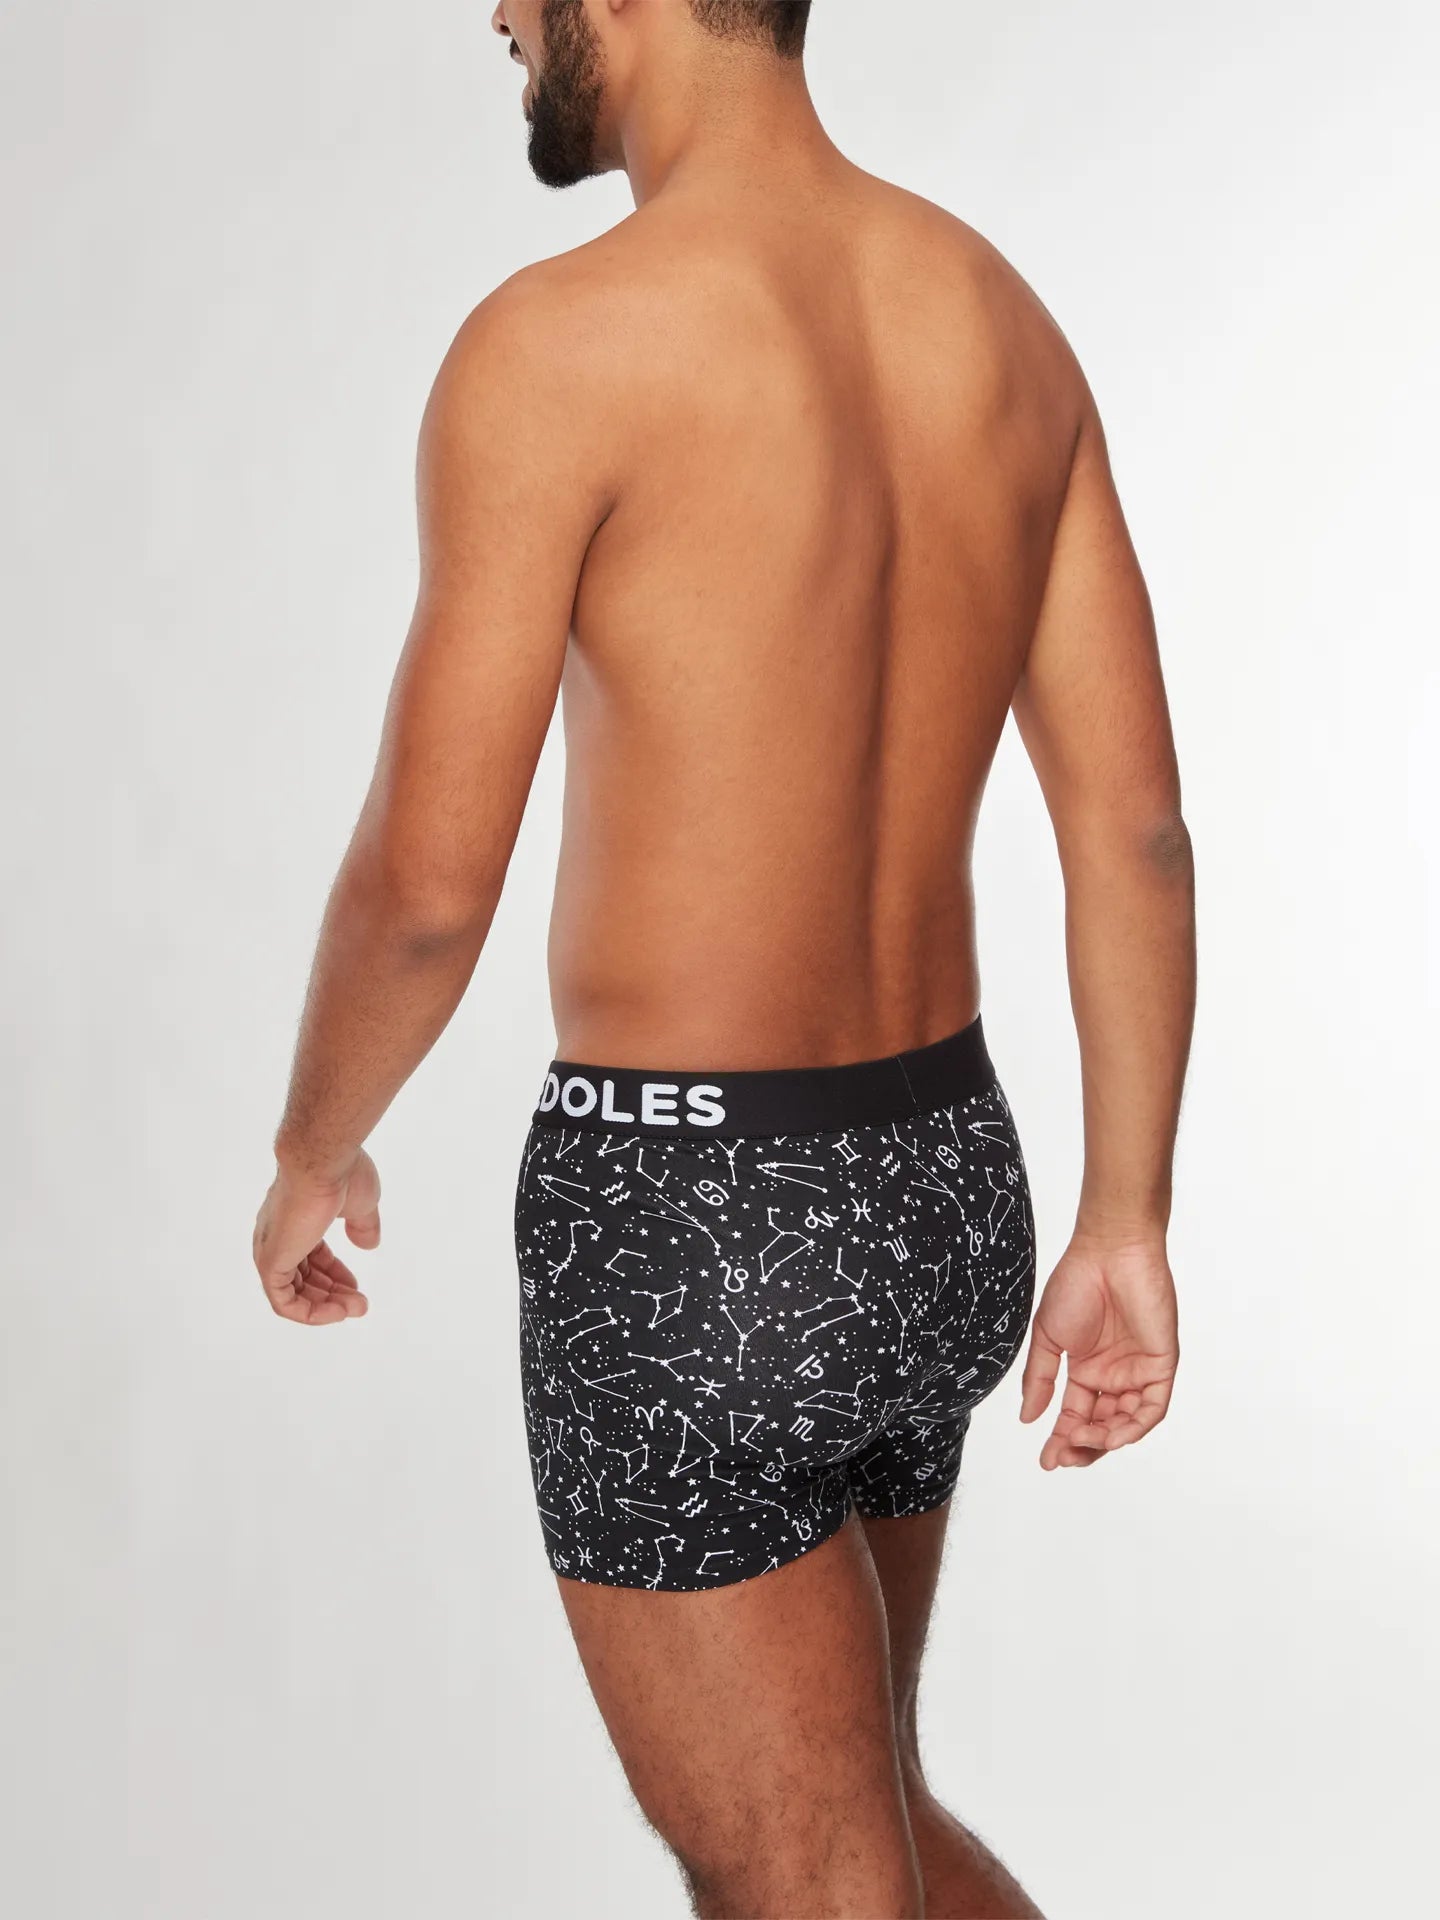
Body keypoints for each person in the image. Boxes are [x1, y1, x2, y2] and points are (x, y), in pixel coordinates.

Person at [250, 2, 1196, 1913]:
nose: (498, 12)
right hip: (944, 1178)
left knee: (800, 1866)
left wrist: (310, 1144)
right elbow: (1137, 834)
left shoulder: (563, 346)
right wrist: (1126, 1215)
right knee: (858, 1817)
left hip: (689, 1215)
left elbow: (428, 881)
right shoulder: (999, 324)